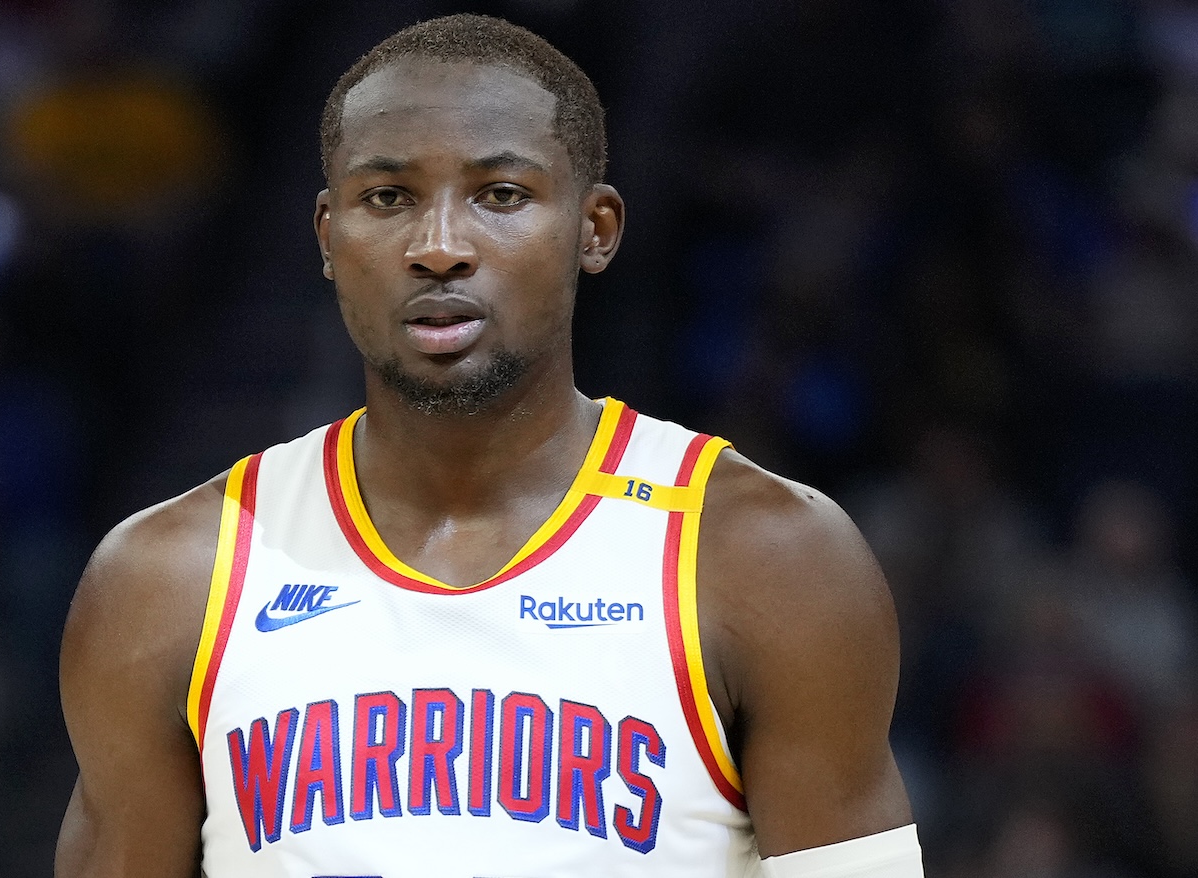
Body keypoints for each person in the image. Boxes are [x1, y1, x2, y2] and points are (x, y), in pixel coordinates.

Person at [55, 13, 923, 878]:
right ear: (327, 237)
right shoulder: (165, 581)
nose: (438, 248)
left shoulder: (769, 559)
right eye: (387, 198)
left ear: (597, 229)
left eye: (500, 195)